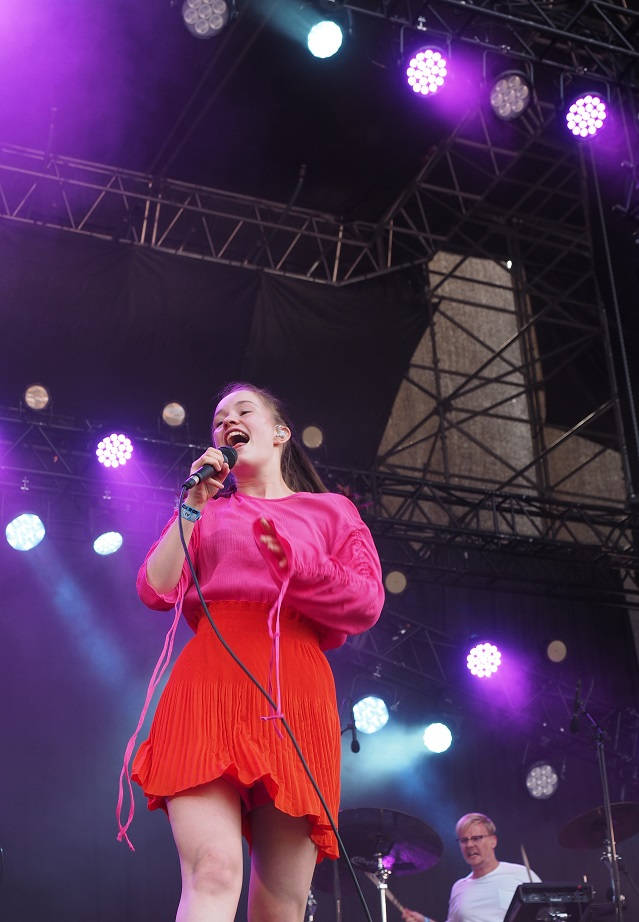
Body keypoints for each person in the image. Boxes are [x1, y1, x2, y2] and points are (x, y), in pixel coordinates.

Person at [117, 382, 385, 922]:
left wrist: (300, 566)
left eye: (243, 411)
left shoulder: (331, 511)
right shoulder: (208, 510)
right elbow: (155, 588)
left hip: (296, 690)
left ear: (281, 433)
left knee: (281, 903)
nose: (227, 423)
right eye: (219, 420)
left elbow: (367, 601)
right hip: (210, 683)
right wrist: (193, 504)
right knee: (214, 871)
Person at [401, 813, 540, 922]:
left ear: (493, 841)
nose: (469, 845)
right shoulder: (459, 888)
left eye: (476, 838)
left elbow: (546, 912)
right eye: (464, 840)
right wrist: (425, 921)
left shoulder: (520, 874)